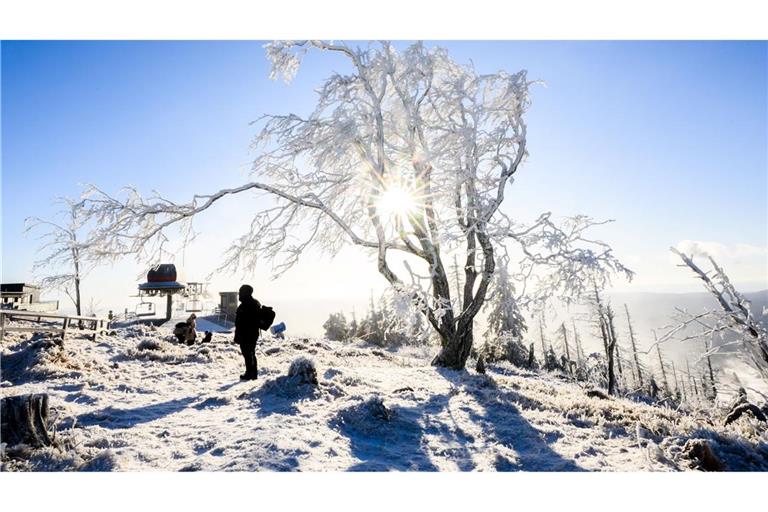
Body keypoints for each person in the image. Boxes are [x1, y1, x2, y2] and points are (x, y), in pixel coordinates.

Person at [234, 284, 261, 380]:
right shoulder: (254, 303)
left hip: (247, 334)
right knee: (250, 353)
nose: (239, 294)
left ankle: (250, 373)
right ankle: (252, 373)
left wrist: (239, 334)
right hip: (250, 333)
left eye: (241, 292)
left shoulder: (247, 304)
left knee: (248, 353)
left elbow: (243, 321)